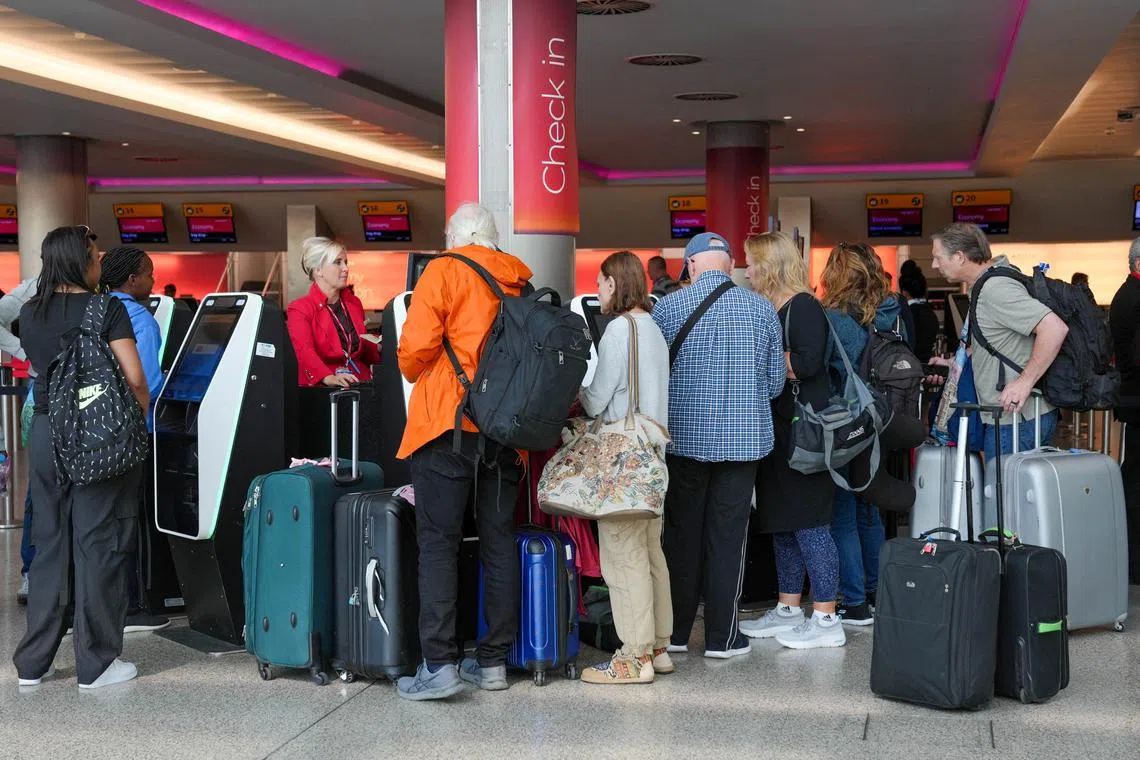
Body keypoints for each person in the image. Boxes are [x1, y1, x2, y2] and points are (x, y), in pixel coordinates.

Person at [395, 203, 531, 700]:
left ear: (454, 235)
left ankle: (440, 664)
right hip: (504, 432)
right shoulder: (517, 278)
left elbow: (412, 355)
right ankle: (492, 662)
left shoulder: (443, 271)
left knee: (438, 542)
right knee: (498, 539)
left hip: (446, 425)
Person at [13, 225, 149, 689]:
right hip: (95, 436)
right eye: (93, 255)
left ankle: (34, 663)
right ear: (79, 260)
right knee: (99, 544)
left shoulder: (32, 312)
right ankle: (97, 663)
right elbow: (133, 377)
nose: (98, 262)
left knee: (49, 544)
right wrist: (138, 412)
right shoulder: (105, 307)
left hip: (48, 432)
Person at [652, 232, 784, 660]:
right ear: (731, 266)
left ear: (690, 266)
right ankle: (722, 638)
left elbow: (656, 377)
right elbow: (774, 383)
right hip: (743, 444)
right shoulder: (761, 308)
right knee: (729, 539)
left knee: (681, 536)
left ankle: (673, 634)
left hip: (684, 442)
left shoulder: (668, 309)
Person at [739, 232, 845, 650]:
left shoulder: (803, 306)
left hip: (807, 434)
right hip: (783, 433)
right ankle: (788, 608)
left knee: (811, 525)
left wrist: (758, 355)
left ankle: (825, 617)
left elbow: (808, 362)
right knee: (783, 525)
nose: (747, 271)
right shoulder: (773, 306)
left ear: (770, 264)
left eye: (752, 263)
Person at [577, 251, 674, 685]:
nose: (597, 289)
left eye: (600, 281)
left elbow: (598, 400)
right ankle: (657, 646)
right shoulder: (653, 328)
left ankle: (633, 658)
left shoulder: (619, 330)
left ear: (615, 284)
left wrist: (578, 386)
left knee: (622, 556)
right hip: (654, 458)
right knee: (652, 553)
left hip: (622, 462)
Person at [820, 241, 924, 625]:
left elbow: (831, 370)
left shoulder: (832, 316)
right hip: (887, 418)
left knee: (843, 513)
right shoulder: (895, 310)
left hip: (849, 421)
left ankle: (854, 602)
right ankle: (878, 592)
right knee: (870, 512)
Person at [930, 222, 1067, 461]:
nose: (934, 265)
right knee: (1003, 494)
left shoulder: (995, 288)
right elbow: (998, 340)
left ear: (960, 257)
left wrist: (1024, 382)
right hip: (1008, 417)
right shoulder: (986, 285)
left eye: (938, 257)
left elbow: (1054, 328)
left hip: (1016, 419)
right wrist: (955, 362)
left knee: (1005, 495)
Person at [100, 246, 170, 634]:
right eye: (148, 273)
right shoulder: (140, 318)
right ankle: (133, 605)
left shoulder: (96, 307)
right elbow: (145, 379)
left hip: (93, 428)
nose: (152, 280)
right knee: (132, 517)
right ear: (132, 280)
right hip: (131, 428)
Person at [286, 237, 380, 387]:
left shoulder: (354, 303)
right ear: (318, 270)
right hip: (324, 387)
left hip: (360, 382)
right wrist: (327, 377)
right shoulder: (300, 308)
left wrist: (383, 346)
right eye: (338, 262)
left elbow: (363, 348)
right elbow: (303, 351)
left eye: (346, 262)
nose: (346, 268)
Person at [0, 276, 38, 604]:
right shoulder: (32, 288)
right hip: (41, 391)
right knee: (40, 489)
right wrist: (22, 351)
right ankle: (32, 571)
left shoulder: (96, 295)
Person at [1109, 237, 1140, 585]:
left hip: (1133, 400)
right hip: (1137, 400)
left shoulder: (1127, 294)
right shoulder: (1134, 298)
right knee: (1136, 483)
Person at [899, 260, 940, 363]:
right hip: (928, 364)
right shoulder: (930, 312)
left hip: (910, 366)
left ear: (904, 292)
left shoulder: (906, 314)